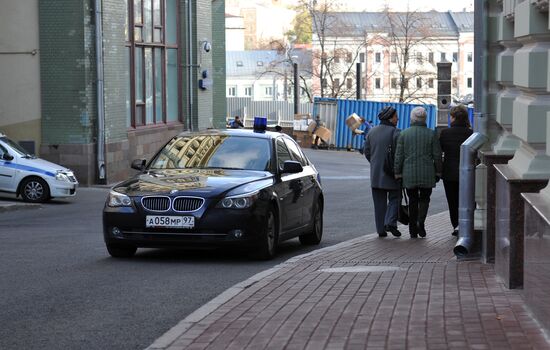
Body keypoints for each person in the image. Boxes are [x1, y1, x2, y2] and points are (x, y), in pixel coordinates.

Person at [394, 107, 442, 238]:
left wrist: (397, 173)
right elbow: (437, 155)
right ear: (425, 118)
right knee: (425, 199)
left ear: (412, 118)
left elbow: (399, 156)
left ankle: (412, 229)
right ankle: (421, 222)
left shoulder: (404, 134)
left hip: (409, 173)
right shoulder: (431, 134)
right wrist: (438, 172)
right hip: (427, 173)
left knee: (413, 199)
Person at [364, 106, 402, 237]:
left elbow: (367, 152)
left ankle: (381, 230)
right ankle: (390, 222)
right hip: (391, 173)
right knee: (395, 198)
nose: (397, 119)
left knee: (379, 203)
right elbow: (399, 153)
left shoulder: (371, 132)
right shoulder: (396, 132)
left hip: (375, 174)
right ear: (390, 118)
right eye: (396, 116)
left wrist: (375, 163)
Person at [439, 104, 473, 236]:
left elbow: (440, 151)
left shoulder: (445, 133)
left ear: (453, 118)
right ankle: (467, 225)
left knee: (452, 201)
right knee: (468, 199)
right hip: (468, 173)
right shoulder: (471, 134)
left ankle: (456, 225)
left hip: (449, 174)